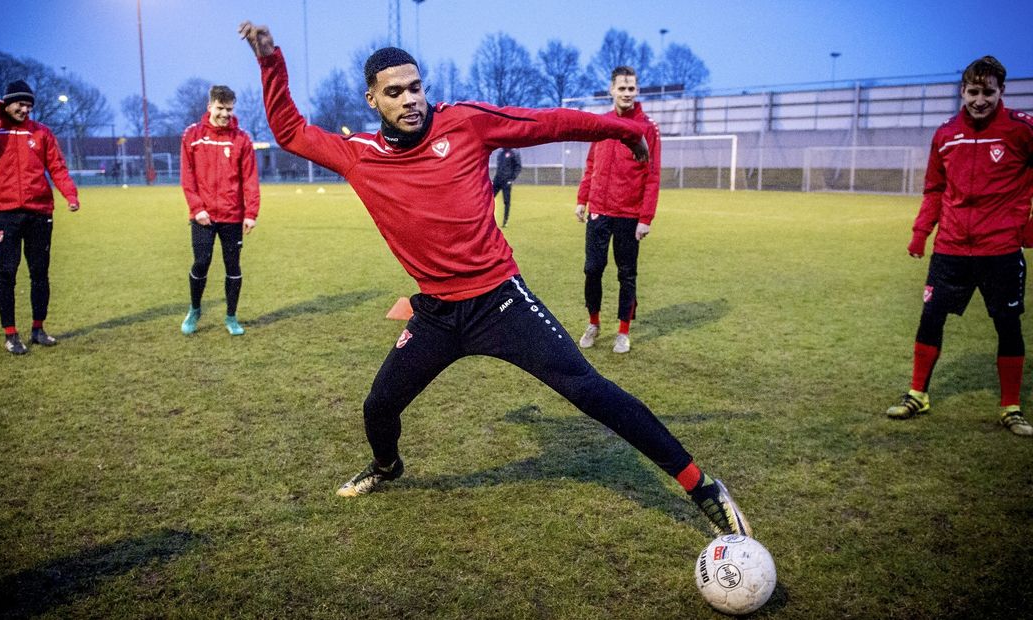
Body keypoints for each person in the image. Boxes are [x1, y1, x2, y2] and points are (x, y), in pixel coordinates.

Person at [239, 21, 750, 537]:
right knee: (379, 406)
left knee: (589, 389)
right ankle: (387, 467)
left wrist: (622, 128)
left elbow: (546, 123)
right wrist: (270, 61)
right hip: (436, 315)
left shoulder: (465, 124)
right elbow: (289, 131)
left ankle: (701, 485)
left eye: (416, 88)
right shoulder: (359, 156)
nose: (410, 100)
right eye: (395, 92)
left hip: (500, 302)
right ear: (372, 100)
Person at [886, 56, 1033, 437]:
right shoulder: (946, 133)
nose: (979, 100)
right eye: (973, 91)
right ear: (961, 91)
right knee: (930, 318)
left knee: (1007, 324)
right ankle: (917, 393)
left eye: (988, 92)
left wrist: (1028, 224)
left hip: (1000, 247)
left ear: (1002, 91)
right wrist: (922, 232)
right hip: (951, 247)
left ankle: (1010, 408)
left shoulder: (1021, 131)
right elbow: (934, 188)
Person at [0, 80, 80, 355]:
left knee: (39, 273)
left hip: (39, 213)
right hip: (5, 213)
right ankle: (11, 334)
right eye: (20, 104)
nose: (25, 109)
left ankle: (38, 329)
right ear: (7, 103)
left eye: (29, 105)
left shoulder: (42, 133)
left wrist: (70, 196)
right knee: (6, 274)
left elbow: (58, 168)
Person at [575, 66, 661, 354]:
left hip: (629, 214)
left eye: (631, 89)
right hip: (599, 210)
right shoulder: (602, 124)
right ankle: (594, 322)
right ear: (611, 89)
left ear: (637, 91)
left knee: (627, 274)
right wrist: (582, 199)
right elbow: (591, 166)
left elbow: (653, 175)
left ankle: (623, 330)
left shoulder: (647, 128)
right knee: (592, 269)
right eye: (621, 89)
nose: (626, 94)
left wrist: (645, 218)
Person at [179, 85, 261, 336]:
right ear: (210, 106)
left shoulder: (242, 138)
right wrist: (197, 208)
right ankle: (194, 309)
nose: (225, 113)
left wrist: (251, 213)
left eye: (229, 109)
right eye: (220, 108)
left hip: (232, 215)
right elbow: (187, 176)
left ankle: (231, 317)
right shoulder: (192, 135)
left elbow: (250, 178)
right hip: (202, 216)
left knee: (232, 266)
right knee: (201, 262)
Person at [492, 147, 521, 227]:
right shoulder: (500, 153)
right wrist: (494, 179)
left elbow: (518, 167)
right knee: (489, 199)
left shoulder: (514, 153)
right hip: (497, 180)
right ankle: (488, 218)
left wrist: (511, 179)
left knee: (506, 202)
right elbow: (499, 168)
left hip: (506, 181)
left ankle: (505, 221)